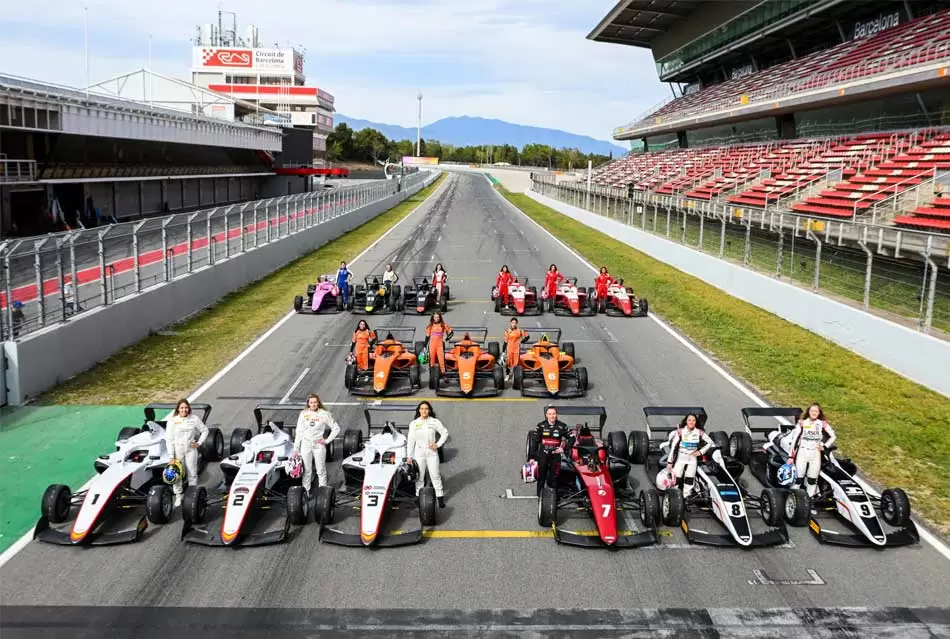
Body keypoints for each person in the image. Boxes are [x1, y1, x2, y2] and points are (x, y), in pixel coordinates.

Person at [164, 399, 209, 507]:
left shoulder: (194, 419)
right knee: (177, 474)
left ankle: (192, 495)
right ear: (178, 409)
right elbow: (169, 440)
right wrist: (171, 456)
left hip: (191, 450)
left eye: (186, 407)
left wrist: (199, 443)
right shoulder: (172, 421)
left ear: (188, 408)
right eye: (182, 408)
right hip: (178, 451)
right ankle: (178, 495)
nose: (184, 410)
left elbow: (205, 430)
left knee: (192, 473)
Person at [292, 394, 340, 495]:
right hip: (306, 444)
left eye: (315, 402)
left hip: (319, 445)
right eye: (311, 402)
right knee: (307, 471)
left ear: (318, 403)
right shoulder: (303, 414)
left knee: (321, 470)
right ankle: (306, 493)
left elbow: (336, 428)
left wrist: (326, 441)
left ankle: (323, 494)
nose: (313, 404)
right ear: (308, 404)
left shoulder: (324, 414)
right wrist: (296, 448)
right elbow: (299, 432)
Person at [788, 403, 837, 499]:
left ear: (819, 413)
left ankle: (809, 501)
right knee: (798, 479)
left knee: (812, 480)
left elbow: (833, 436)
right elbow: (795, 440)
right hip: (802, 453)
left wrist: (825, 446)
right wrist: (791, 457)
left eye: (816, 411)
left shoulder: (822, 424)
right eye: (812, 411)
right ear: (808, 412)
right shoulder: (802, 423)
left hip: (815, 454)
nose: (814, 413)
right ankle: (793, 499)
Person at [406, 401, 449, 508]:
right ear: (419, 411)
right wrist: (409, 456)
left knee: (435, 475)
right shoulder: (414, 423)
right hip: (419, 453)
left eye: (426, 408)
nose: (424, 411)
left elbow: (445, 433)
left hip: (432, 453)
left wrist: (438, 444)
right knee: (419, 477)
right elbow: (411, 441)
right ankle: (418, 499)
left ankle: (440, 499)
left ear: (429, 410)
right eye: (422, 409)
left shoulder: (435, 422)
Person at [666, 413, 714, 498]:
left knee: (690, 478)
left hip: (692, 459)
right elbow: (673, 447)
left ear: (696, 422)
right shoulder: (680, 431)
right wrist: (670, 462)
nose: (691, 422)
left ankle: (686, 496)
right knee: (676, 477)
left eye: (693, 420)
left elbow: (710, 442)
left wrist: (701, 452)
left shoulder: (699, 432)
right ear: (686, 421)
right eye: (689, 420)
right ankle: (673, 494)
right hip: (681, 457)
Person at [533, 407, 572, 497]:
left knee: (554, 478)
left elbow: (572, 438)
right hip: (543, 455)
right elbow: (534, 442)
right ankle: (540, 496)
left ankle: (553, 497)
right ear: (546, 415)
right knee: (541, 477)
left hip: (555, 456)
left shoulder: (562, 426)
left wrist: (564, 448)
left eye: (553, 414)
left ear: (556, 415)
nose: (552, 416)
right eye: (550, 414)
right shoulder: (541, 426)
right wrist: (532, 457)